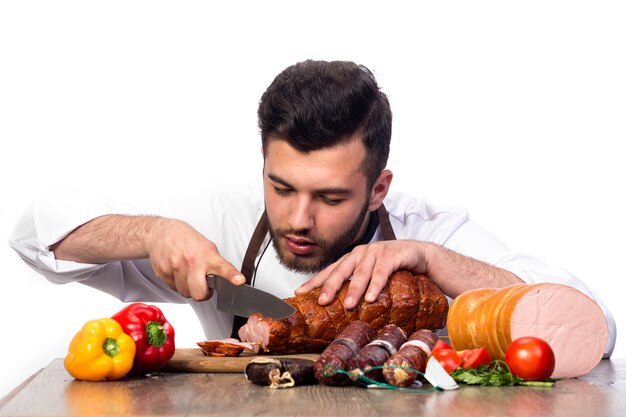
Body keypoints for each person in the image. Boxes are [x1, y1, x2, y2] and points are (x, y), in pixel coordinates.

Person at [10, 59, 616, 356]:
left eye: (330, 198)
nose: (298, 219)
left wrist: (433, 259)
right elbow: (36, 234)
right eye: (282, 187)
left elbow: (594, 326)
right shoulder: (223, 221)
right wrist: (153, 232)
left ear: (378, 189)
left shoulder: (429, 231)